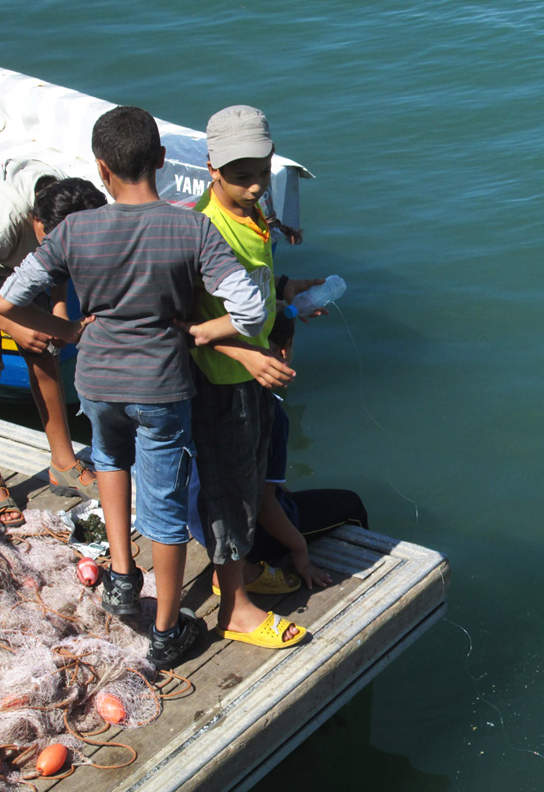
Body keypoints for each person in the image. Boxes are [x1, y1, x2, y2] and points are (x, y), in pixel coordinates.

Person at [0, 106, 268, 669]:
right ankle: (167, 630)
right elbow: (251, 307)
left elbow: (9, 301)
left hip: (95, 380)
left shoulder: (75, 229)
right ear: (162, 161)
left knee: (111, 463)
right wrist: (195, 330)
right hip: (160, 386)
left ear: (101, 169)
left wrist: (69, 329)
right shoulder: (192, 228)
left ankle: (122, 575)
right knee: (164, 506)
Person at [186, 105, 325, 650]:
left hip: (255, 376)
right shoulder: (203, 231)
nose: (253, 186)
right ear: (211, 169)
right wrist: (244, 355)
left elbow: (254, 289)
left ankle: (236, 577)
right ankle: (236, 610)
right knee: (227, 490)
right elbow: (180, 323)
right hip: (222, 382)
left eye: (260, 173)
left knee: (252, 480)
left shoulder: (255, 216)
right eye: (239, 176)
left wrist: (286, 295)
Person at [0, 161, 102, 529]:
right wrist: (10, 325)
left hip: (19, 267)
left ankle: (63, 461)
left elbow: (60, 263)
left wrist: (59, 312)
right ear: (38, 222)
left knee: (45, 352)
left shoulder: (67, 199)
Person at [189, 312, 369, 593]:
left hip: (200, 524)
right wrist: (299, 551)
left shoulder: (206, 395)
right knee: (351, 505)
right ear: (280, 351)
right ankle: (362, 584)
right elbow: (263, 504)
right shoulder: (268, 413)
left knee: (276, 490)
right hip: (246, 537)